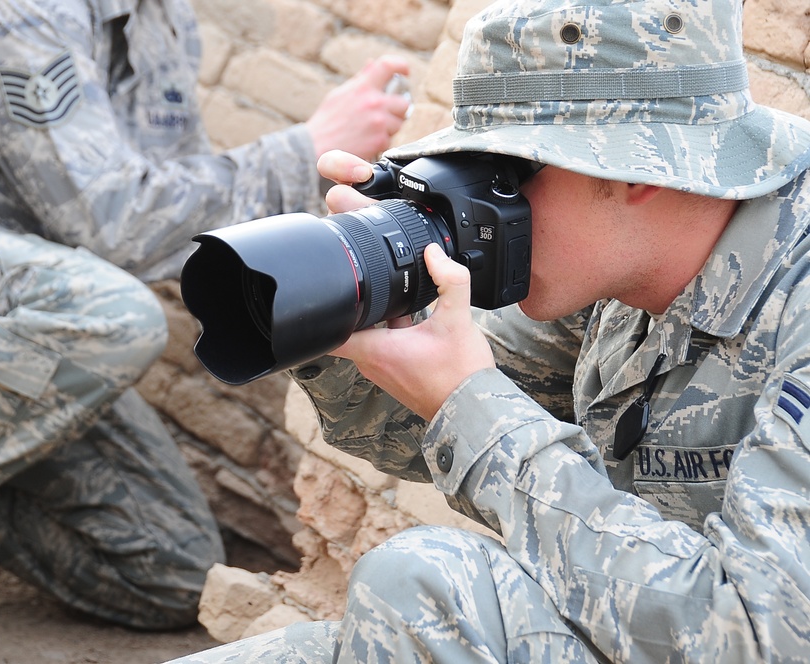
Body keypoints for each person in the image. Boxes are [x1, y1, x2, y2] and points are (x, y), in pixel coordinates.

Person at [164, 0, 810, 661]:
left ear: (638, 170)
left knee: (428, 583)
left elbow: (762, 639)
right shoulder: (614, 266)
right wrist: (353, 312)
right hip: (603, 631)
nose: (482, 205)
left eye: (506, 171)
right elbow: (423, 431)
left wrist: (470, 405)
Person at [0, 0, 410, 662]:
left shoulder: (163, 16)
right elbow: (112, 223)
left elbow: (167, 216)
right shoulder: (21, 10)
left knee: (168, 570)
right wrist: (305, 147)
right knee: (111, 319)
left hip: (8, 317)